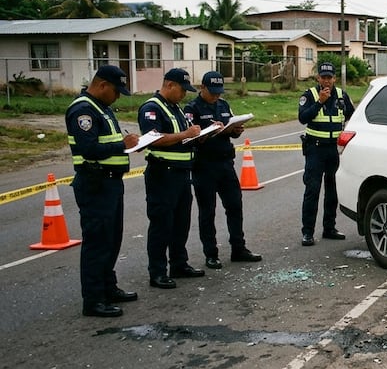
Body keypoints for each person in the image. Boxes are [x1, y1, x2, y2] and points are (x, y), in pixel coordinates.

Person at [65, 65, 140, 317]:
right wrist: (123, 144)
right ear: (102, 85)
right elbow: (89, 148)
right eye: (116, 91)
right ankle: (94, 299)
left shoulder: (102, 107)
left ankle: (109, 287)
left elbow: (108, 144)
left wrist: (129, 146)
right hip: (95, 184)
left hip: (111, 183)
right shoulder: (83, 110)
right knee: (97, 243)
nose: (117, 96)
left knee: (112, 239)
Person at [184, 71, 262, 269]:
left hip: (226, 163)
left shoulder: (224, 105)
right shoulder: (192, 109)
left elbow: (231, 131)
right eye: (212, 92)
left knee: (235, 206)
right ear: (202, 88)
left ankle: (239, 248)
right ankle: (211, 253)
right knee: (207, 211)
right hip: (204, 165)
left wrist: (235, 130)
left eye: (219, 92)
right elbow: (191, 139)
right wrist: (211, 132)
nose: (216, 96)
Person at [138, 68, 204, 289]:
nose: (184, 95)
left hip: (182, 172)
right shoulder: (151, 108)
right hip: (162, 173)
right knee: (161, 224)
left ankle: (179, 263)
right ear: (169, 85)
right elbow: (152, 139)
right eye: (182, 90)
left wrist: (203, 135)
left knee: (180, 222)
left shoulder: (175, 108)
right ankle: (157, 271)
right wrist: (185, 135)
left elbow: (182, 139)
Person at [298, 61, 355, 246]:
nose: (327, 81)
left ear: (335, 78)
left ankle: (329, 228)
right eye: (323, 77)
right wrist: (319, 102)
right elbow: (303, 118)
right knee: (312, 191)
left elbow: (352, 116)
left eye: (330, 77)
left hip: (332, 150)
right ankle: (307, 232)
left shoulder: (341, 95)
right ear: (318, 78)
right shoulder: (310, 95)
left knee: (332, 191)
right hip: (315, 149)